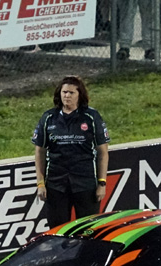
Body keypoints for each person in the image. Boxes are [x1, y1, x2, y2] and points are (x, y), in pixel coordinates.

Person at [33, 76, 110, 228]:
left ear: (79, 95)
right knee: (58, 230)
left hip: (85, 184)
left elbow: (102, 152)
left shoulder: (91, 117)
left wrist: (102, 183)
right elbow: (39, 152)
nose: (67, 96)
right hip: (56, 184)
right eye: (64, 92)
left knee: (88, 230)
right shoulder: (48, 118)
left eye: (71, 93)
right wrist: (40, 183)